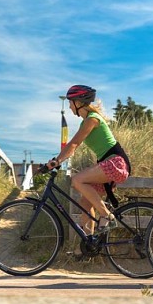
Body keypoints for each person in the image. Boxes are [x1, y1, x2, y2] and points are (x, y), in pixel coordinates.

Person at [47, 85, 131, 233]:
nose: (69, 106)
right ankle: (88, 244)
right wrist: (58, 159)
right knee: (85, 204)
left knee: (77, 180)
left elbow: (74, 144)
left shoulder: (92, 119)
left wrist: (57, 161)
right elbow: (72, 147)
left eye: (70, 102)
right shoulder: (85, 121)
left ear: (78, 103)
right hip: (108, 162)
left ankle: (106, 215)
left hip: (116, 162)